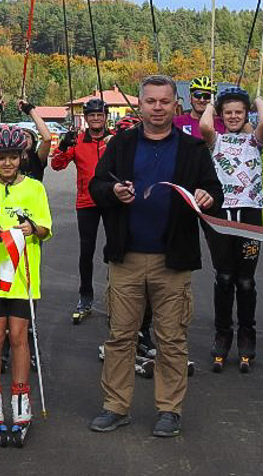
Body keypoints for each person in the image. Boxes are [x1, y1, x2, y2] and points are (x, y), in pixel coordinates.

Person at [88, 75, 222, 438]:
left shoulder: (193, 149)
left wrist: (208, 197)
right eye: (151, 101)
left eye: (165, 102)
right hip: (126, 257)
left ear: (175, 106)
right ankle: (115, 407)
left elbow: (213, 190)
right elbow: (96, 186)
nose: (158, 108)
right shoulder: (122, 144)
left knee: (172, 338)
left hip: (173, 260)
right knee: (120, 336)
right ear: (141, 105)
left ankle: (169, 410)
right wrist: (114, 190)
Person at [0, 124, 52, 445]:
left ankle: (20, 396)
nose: (7, 163)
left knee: (19, 336)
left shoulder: (34, 188)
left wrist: (33, 228)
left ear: (22, 157)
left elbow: (46, 228)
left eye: (12, 157)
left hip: (23, 275)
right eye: (0, 157)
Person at [200, 87, 263, 373]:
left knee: (246, 280)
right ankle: (222, 334)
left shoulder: (254, 140)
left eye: (239, 111)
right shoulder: (217, 141)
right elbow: (203, 124)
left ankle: (247, 337)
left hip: (251, 213)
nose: (234, 116)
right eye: (229, 112)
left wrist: (257, 102)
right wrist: (214, 103)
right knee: (224, 277)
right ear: (222, 116)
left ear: (246, 113)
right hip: (221, 215)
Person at [50, 97, 113, 322]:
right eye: (92, 115)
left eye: (100, 115)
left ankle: (116, 296)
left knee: (115, 250)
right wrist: (63, 145)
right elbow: (56, 165)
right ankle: (85, 295)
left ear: (105, 117)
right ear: (86, 119)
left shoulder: (113, 140)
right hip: (86, 202)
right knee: (86, 251)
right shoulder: (77, 140)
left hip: (112, 201)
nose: (96, 119)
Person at [0, 99, 52, 181]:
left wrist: (29, 109)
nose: (24, 139)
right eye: (22, 136)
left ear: (33, 140)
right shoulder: (2, 156)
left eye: (27, 136)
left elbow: (47, 138)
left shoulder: (37, 158)